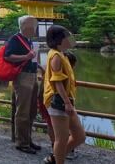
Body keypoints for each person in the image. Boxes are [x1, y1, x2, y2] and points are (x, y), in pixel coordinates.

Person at [43, 25, 85, 164]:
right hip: (58, 101)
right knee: (61, 138)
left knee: (79, 136)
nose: (70, 39)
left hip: (67, 100)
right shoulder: (55, 55)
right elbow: (57, 82)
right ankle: (58, 161)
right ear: (60, 39)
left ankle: (54, 158)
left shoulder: (62, 54)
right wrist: (67, 102)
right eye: (67, 37)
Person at [4, 15, 41, 154]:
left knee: (31, 110)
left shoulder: (28, 39)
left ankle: (27, 139)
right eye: (34, 26)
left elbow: (31, 57)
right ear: (27, 26)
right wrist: (26, 57)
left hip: (32, 74)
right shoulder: (15, 39)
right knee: (23, 111)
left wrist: (38, 66)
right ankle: (22, 142)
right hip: (22, 77)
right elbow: (7, 56)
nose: (35, 28)